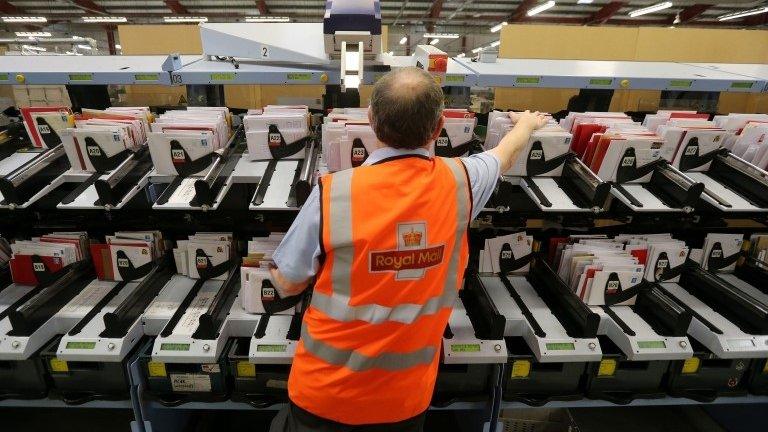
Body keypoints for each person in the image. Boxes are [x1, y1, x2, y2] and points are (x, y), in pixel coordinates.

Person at [268, 67, 546, 432]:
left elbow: (287, 284)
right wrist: (526, 124)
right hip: (404, 402)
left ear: (371, 120)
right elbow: (503, 156)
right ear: (438, 127)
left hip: (323, 396)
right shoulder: (462, 182)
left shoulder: (333, 193)